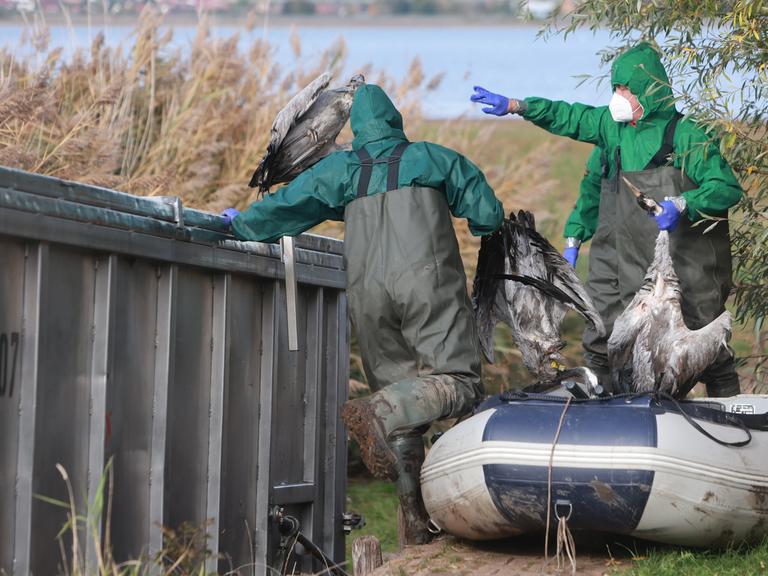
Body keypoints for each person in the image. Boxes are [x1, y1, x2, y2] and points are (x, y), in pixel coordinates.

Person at [224, 83, 504, 544]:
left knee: (401, 409)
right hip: (427, 285)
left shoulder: (342, 168)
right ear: (396, 122)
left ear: (356, 129)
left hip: (368, 293)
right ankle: (378, 410)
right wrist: (479, 224)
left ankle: (415, 523)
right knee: (459, 381)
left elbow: (288, 207)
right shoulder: (433, 158)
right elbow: (488, 214)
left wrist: (239, 223)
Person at [471, 42, 742, 397]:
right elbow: (571, 120)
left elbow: (726, 187)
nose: (619, 96)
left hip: (684, 265)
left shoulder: (687, 136)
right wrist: (516, 106)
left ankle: (733, 411)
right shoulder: (611, 133)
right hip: (618, 259)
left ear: (650, 89)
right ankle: (610, 412)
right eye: (615, 88)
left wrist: (684, 203)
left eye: (626, 89)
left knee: (704, 342)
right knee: (605, 337)